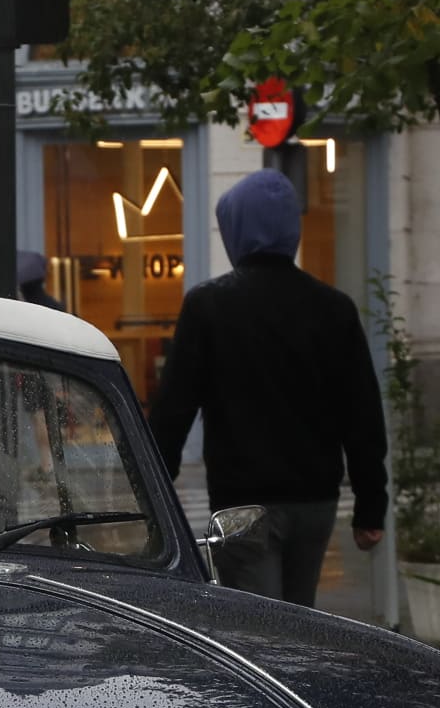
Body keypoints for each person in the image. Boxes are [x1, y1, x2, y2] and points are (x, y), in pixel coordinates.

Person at [148, 169, 387, 607]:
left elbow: (174, 411)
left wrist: (154, 495)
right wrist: (371, 505)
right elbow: (362, 412)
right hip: (314, 499)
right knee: (299, 622)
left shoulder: (209, 305)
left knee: (258, 630)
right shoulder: (333, 308)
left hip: (242, 503)